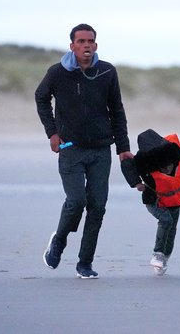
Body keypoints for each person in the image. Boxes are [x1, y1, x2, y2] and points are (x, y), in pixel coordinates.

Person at [35, 23, 133, 279]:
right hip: (71, 148)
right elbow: (41, 98)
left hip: (101, 149)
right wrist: (52, 132)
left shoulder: (107, 72)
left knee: (97, 207)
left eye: (90, 41)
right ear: (72, 46)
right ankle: (59, 240)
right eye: (81, 41)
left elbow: (117, 110)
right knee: (76, 201)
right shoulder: (58, 73)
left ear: (96, 45)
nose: (86, 45)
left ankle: (85, 263)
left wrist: (123, 148)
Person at [120, 129, 180, 276]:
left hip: (175, 199)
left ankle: (164, 258)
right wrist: (136, 183)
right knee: (166, 221)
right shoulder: (143, 163)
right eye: (161, 165)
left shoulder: (174, 151)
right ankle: (158, 253)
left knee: (172, 228)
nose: (166, 167)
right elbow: (126, 163)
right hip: (154, 201)